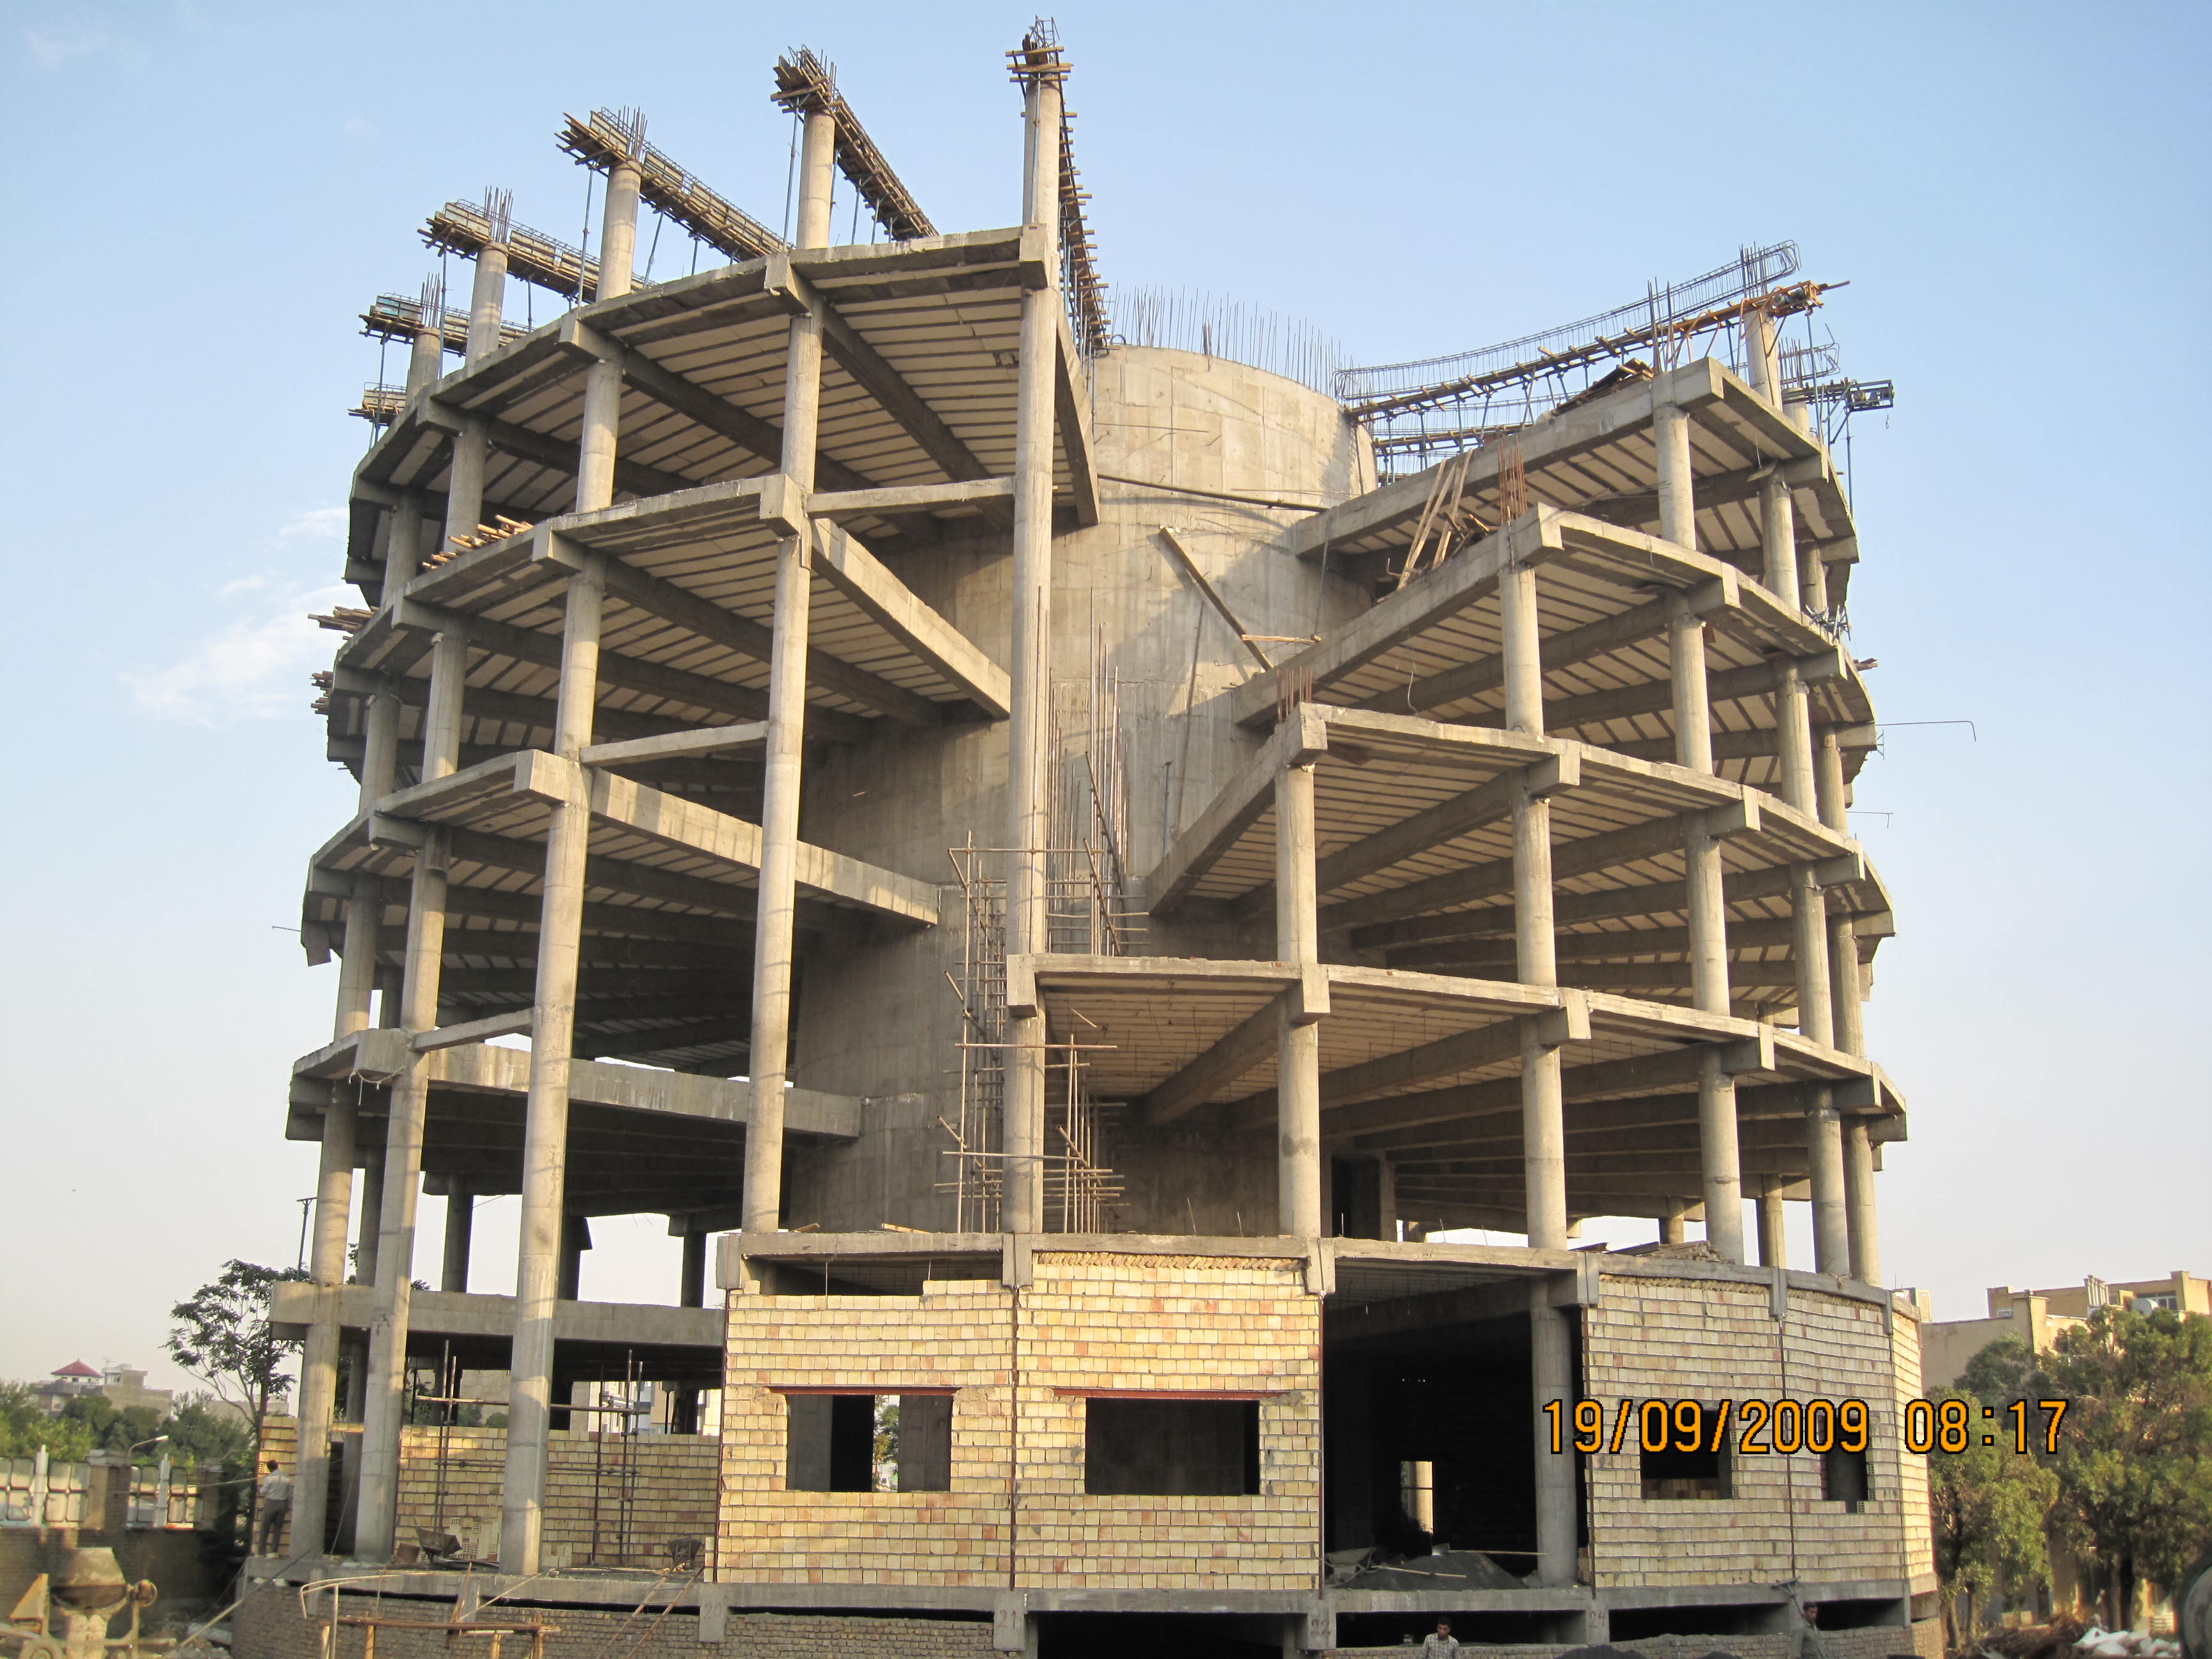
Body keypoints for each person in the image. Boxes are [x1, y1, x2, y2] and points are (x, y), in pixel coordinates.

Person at [255, 1461, 293, 1554]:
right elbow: (290, 1493)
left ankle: (261, 1552)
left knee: (265, 1527)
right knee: (278, 1529)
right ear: (277, 1466)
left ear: (270, 1469)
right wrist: (288, 1506)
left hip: (271, 1503)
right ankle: (273, 1552)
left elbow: (263, 1491)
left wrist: (259, 1489)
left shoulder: (269, 1478)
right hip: (283, 1504)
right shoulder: (287, 1478)